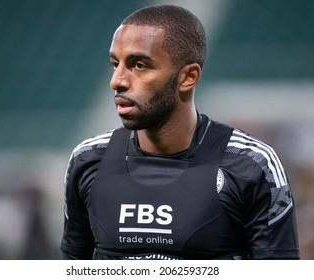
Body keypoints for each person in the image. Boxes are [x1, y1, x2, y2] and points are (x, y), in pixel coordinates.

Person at [60, 4, 300, 260]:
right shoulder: (88, 160)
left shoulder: (251, 165)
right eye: (115, 64)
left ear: (188, 77)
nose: (117, 81)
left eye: (139, 65)